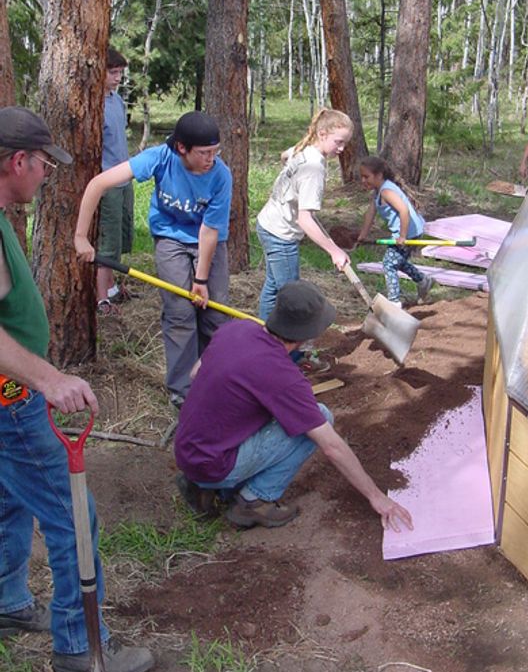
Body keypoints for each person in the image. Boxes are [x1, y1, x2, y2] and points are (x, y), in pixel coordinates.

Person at [0, 106, 154, 672]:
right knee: (71, 516)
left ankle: (9, 602)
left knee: (9, 499)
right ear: (18, 161)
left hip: (9, 397)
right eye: (42, 164)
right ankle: (78, 647)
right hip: (10, 401)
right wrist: (50, 378)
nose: (45, 174)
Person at [174, 279, 414, 533]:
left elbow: (194, 374)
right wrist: (377, 497)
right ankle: (253, 501)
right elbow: (331, 446)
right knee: (320, 417)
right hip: (212, 464)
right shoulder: (283, 376)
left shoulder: (236, 329)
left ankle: (201, 486)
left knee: (269, 413)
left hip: (188, 450)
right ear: (309, 333)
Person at [75, 111, 232, 408]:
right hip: (170, 240)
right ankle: (183, 391)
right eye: (204, 153)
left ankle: (212, 380)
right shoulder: (160, 158)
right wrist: (81, 236)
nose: (211, 159)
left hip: (208, 242)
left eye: (216, 151)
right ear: (181, 148)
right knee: (179, 313)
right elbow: (98, 184)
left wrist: (200, 280)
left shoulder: (221, 175)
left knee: (215, 313)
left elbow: (210, 230)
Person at [256, 108, 352, 372]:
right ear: (322, 134)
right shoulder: (314, 168)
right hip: (281, 235)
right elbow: (305, 219)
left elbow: (284, 155)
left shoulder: (304, 149)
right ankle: (295, 358)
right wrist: (334, 250)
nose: (341, 149)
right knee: (294, 300)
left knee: (274, 287)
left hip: (267, 223)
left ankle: (264, 344)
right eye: (338, 142)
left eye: (345, 142)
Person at [356, 156, 432, 307]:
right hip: (405, 231)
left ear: (379, 175)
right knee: (398, 261)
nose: (363, 180)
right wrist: (362, 236)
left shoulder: (386, 191)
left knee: (389, 263)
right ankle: (423, 280)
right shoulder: (378, 191)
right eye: (362, 177)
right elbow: (370, 214)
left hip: (409, 232)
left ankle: (394, 301)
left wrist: (402, 236)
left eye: (367, 177)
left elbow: (404, 211)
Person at [97, 47, 134, 315]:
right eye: (113, 72)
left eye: (120, 72)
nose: (118, 77)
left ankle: (111, 286)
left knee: (122, 236)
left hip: (125, 177)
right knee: (107, 242)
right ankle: (102, 299)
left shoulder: (117, 101)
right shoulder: (94, 106)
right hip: (107, 181)